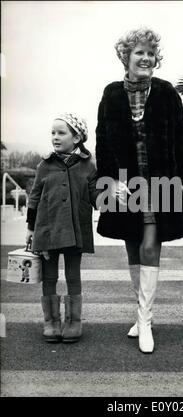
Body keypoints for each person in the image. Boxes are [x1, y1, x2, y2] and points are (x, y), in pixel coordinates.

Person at [95, 28, 183, 353]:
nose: (146, 58)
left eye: (151, 53)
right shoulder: (110, 94)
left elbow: (180, 141)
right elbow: (103, 144)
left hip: (160, 183)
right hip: (126, 186)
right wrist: (111, 180)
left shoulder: (166, 93)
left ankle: (146, 321)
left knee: (151, 246)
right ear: (126, 56)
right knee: (133, 250)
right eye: (139, 52)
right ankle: (139, 316)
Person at [26, 113, 99, 343]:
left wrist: (109, 196)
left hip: (76, 228)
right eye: (53, 133)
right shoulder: (44, 164)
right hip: (47, 228)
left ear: (77, 137)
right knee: (49, 277)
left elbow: (96, 192)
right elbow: (34, 198)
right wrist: (30, 228)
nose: (55, 137)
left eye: (61, 133)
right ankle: (51, 321)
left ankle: (73, 321)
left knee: (72, 275)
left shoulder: (88, 164)